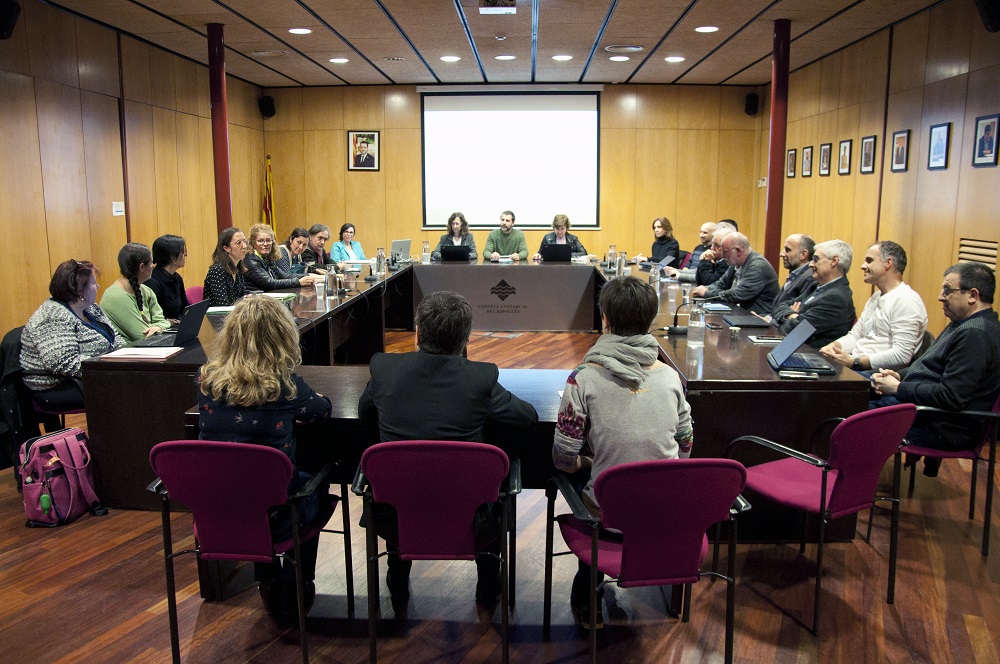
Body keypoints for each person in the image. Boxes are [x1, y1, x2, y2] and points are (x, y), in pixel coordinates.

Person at [358, 291, 538, 606]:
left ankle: (397, 576)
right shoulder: (480, 378)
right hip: (471, 519)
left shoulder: (384, 369)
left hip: (395, 516)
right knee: (490, 490)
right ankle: (487, 585)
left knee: (406, 484)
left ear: (417, 332)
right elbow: (528, 417)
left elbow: (364, 413)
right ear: (466, 338)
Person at [552, 275, 693, 629]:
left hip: (607, 519)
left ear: (605, 320)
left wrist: (592, 460)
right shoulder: (672, 378)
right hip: (665, 514)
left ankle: (587, 596)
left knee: (595, 480)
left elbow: (563, 460)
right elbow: (685, 444)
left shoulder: (582, 377)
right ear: (650, 322)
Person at [197, 296, 332, 621]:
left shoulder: (206, 382)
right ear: (282, 335)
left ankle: (266, 575)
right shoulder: (284, 386)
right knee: (317, 468)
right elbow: (321, 409)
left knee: (251, 478)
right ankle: (301, 578)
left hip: (216, 514)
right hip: (278, 518)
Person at [871, 262, 1000, 477]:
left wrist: (898, 388)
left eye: (948, 290)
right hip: (927, 412)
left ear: (973, 295)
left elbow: (951, 397)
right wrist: (898, 376)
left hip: (942, 428)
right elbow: (930, 366)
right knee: (855, 391)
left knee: (851, 410)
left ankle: (845, 492)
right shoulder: (965, 323)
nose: (941, 296)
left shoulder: (976, 334)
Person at [20, 260, 126, 411]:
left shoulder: (92, 309)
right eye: (94, 283)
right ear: (79, 290)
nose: (98, 286)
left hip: (94, 375)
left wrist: (128, 360)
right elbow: (63, 362)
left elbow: (116, 339)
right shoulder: (53, 316)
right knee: (131, 390)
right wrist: (107, 369)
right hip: (60, 385)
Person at [820, 241, 928, 373]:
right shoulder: (876, 297)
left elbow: (902, 355)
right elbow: (856, 336)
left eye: (869, 261)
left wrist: (855, 362)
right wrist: (835, 346)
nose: (863, 266)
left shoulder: (907, 300)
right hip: (856, 367)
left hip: (876, 375)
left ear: (888, 263)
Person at [771, 240, 855, 348]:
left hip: (808, 354)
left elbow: (794, 331)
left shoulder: (835, 298)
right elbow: (779, 305)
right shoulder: (815, 286)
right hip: (792, 347)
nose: (810, 264)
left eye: (816, 259)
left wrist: (792, 317)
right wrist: (792, 315)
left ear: (834, 261)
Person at [100, 243, 172, 342]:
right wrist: (158, 327)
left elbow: (163, 321)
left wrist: (159, 327)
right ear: (142, 267)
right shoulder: (116, 297)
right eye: (151, 263)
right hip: (129, 352)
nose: (153, 266)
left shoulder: (146, 291)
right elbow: (142, 335)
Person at [692, 232, 778, 314]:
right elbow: (720, 284)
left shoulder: (757, 267)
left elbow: (736, 295)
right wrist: (703, 289)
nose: (722, 256)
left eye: (725, 252)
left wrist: (706, 293)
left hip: (759, 318)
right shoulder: (735, 263)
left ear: (738, 251)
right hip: (742, 314)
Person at [244, 224, 317, 292]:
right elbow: (269, 283)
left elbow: (283, 275)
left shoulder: (266, 258)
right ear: (253, 242)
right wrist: (298, 282)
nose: (265, 244)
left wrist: (309, 276)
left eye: (268, 240)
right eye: (260, 241)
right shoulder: (250, 260)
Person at [146, 234, 189, 321]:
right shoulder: (152, 282)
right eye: (183, 253)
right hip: (163, 329)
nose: (186, 255)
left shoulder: (177, 278)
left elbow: (185, 308)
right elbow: (151, 315)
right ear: (173, 258)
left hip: (177, 325)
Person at [771, 233, 816, 312]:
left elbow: (796, 313)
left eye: (787, 250)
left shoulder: (810, 277)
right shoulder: (795, 274)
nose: (781, 254)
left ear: (803, 254)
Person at [203, 227, 248, 306]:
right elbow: (223, 306)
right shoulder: (217, 271)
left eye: (244, 241)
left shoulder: (238, 269)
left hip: (234, 315)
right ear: (226, 248)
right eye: (238, 243)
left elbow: (242, 297)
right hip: (218, 317)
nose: (244, 246)